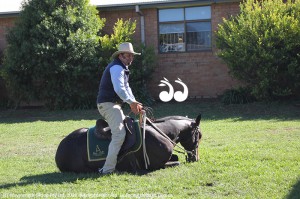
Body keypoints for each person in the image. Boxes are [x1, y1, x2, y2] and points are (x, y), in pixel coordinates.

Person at [97, 42, 143, 175]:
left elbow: (127, 88)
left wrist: (134, 101)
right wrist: (131, 103)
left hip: (113, 104)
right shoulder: (117, 68)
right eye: (128, 55)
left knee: (125, 131)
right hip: (108, 105)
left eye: (132, 56)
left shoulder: (122, 67)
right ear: (120, 56)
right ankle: (107, 170)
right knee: (119, 134)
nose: (130, 58)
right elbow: (119, 89)